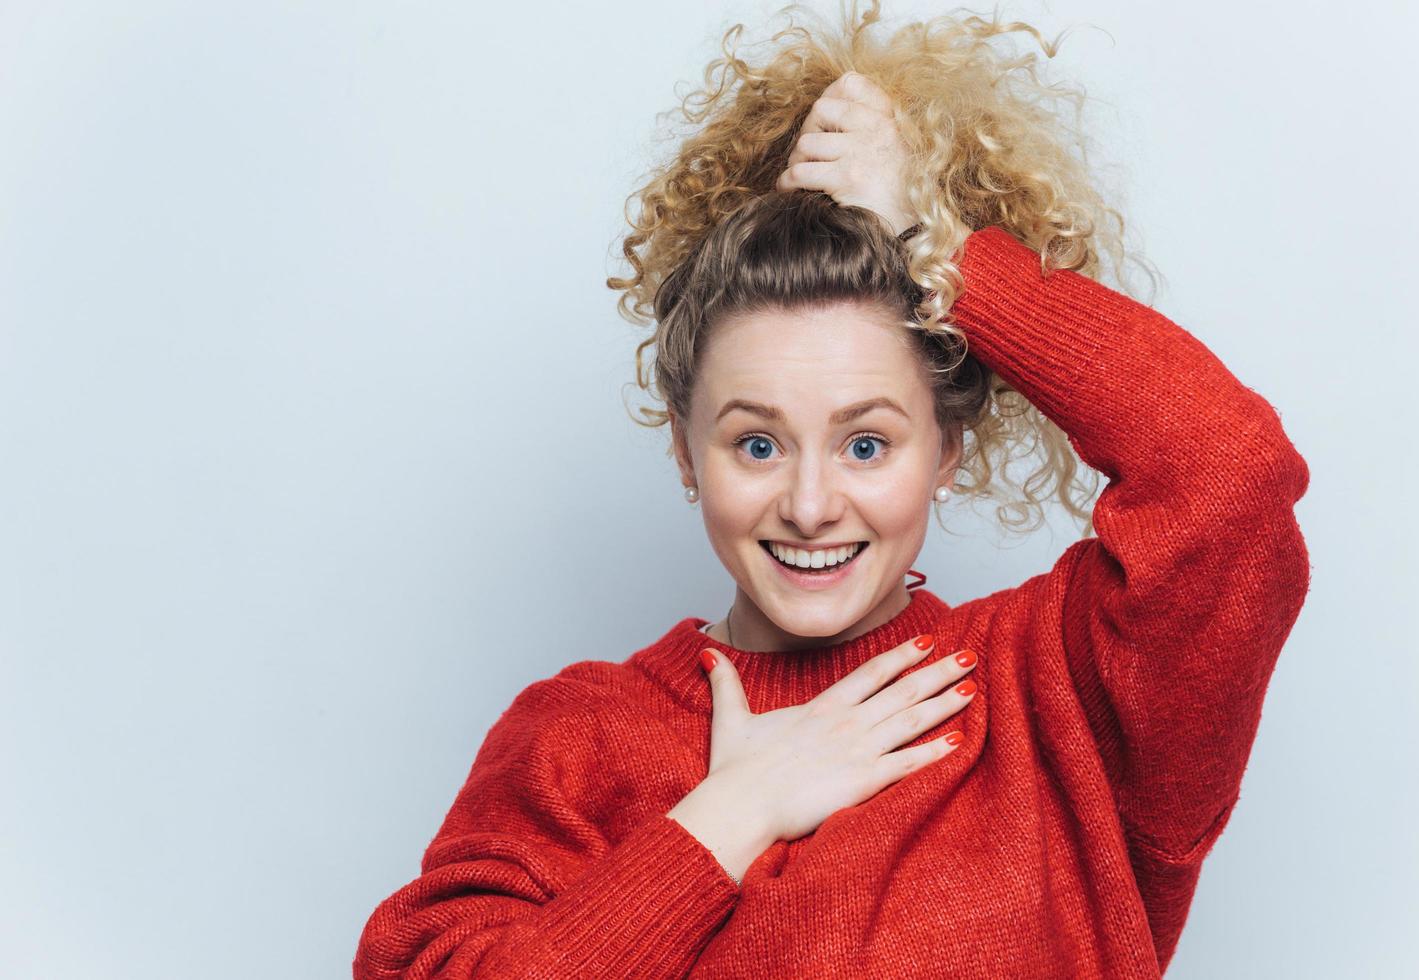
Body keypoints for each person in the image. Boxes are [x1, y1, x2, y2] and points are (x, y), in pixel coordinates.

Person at [353, 5, 1311, 978]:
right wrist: (726, 818)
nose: (811, 503)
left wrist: (942, 250)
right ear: (687, 451)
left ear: (946, 448)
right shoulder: (584, 740)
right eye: (757, 442)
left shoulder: (1058, 696)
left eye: (865, 442)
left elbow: (1229, 473)